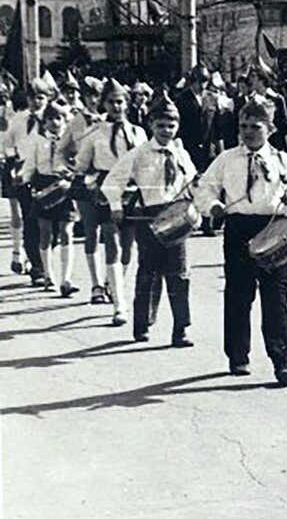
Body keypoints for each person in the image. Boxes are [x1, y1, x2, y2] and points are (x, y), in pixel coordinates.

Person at [195, 98, 287, 384]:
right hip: (239, 227)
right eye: (243, 126)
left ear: (270, 129)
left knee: (276, 298)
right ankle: (238, 356)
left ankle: (282, 361)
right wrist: (211, 206)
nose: (248, 132)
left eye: (255, 127)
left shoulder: (284, 161)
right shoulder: (226, 159)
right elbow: (205, 188)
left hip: (274, 230)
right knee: (238, 294)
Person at [101, 93, 197, 346]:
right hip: (148, 218)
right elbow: (112, 181)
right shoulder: (139, 153)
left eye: (171, 125)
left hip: (176, 217)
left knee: (179, 275)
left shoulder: (180, 152)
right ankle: (142, 325)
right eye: (161, 125)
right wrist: (115, 206)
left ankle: (181, 329)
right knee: (148, 273)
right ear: (151, 125)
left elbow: (193, 183)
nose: (166, 130)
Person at [75, 78, 148, 325]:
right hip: (106, 191)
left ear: (127, 103)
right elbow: (82, 165)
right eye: (111, 102)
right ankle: (120, 305)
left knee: (129, 247)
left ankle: (112, 283)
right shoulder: (95, 133)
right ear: (103, 104)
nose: (116, 107)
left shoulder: (138, 133)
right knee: (112, 244)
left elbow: (144, 164)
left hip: (132, 190)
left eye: (120, 102)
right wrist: (89, 179)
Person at [17, 100, 76, 296]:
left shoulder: (70, 141)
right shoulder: (37, 141)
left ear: (65, 120)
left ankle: (66, 278)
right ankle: (48, 275)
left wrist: (72, 172)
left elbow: (78, 161)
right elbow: (31, 165)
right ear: (44, 121)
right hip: (43, 185)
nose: (54, 123)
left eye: (58, 118)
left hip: (64, 185)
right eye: (50, 118)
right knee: (46, 233)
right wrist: (24, 179)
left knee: (67, 230)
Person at [4, 73, 56, 283]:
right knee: (31, 220)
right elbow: (8, 143)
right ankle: (37, 267)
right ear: (27, 99)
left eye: (41, 97)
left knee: (52, 224)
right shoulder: (18, 119)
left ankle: (46, 260)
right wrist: (13, 162)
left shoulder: (54, 119)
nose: (36, 101)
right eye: (33, 97)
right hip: (25, 175)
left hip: (47, 176)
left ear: (47, 99)